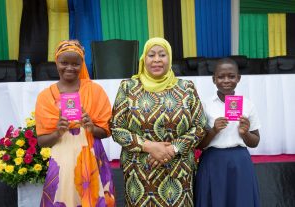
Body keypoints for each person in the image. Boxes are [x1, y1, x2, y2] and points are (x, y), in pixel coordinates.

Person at [110, 37, 206, 206]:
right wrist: (149, 146)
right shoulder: (128, 87)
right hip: (139, 172)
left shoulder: (186, 87)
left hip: (178, 171)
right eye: (151, 55)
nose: (156, 60)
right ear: (143, 59)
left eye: (162, 55)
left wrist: (173, 149)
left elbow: (199, 126)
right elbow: (117, 128)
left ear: (169, 58)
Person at [35, 40, 115, 207]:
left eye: (75, 64)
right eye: (64, 63)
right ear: (56, 62)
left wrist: (92, 127)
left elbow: (107, 131)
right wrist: (58, 131)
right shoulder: (46, 96)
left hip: (93, 158)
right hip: (62, 161)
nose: (69, 68)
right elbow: (42, 141)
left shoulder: (94, 91)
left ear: (82, 64)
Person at [195, 58, 261, 207]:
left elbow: (255, 141)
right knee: (214, 200)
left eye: (231, 76)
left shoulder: (247, 105)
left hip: (240, 161)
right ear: (213, 79)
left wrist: (245, 133)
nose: (226, 80)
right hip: (213, 160)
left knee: (240, 200)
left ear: (238, 78)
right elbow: (199, 144)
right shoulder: (205, 106)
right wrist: (214, 131)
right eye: (221, 76)